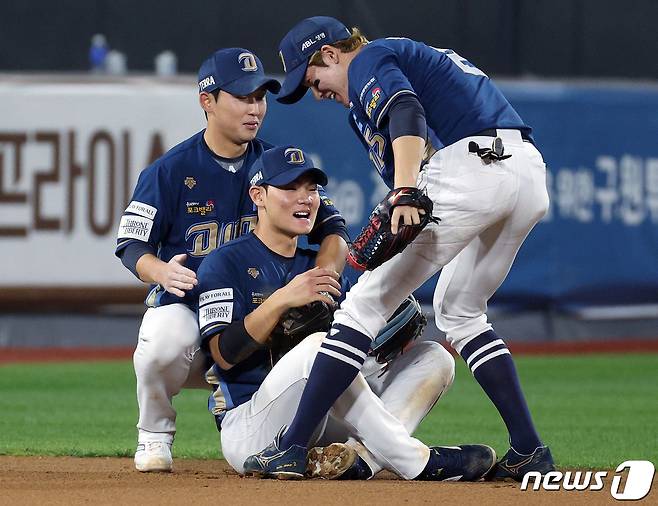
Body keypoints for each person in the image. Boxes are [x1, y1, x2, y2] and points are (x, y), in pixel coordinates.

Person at [245, 16, 554, 481]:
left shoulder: (369, 57)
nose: (316, 92)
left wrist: (406, 192)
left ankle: (289, 447)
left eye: (313, 79)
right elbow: (408, 146)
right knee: (461, 312)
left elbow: (406, 110)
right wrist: (404, 193)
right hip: (526, 173)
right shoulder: (374, 91)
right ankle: (530, 449)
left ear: (330, 54)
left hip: (473, 166)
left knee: (360, 309)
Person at [114, 48, 349, 472]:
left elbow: (333, 227)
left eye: (260, 97)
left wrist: (325, 272)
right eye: (242, 97)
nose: (255, 108)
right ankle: (154, 433)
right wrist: (160, 271)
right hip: (190, 308)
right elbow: (131, 245)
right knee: (163, 339)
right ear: (208, 101)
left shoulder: (279, 169)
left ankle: (268, 426)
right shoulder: (170, 171)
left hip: (256, 311)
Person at [197, 146, 495, 481]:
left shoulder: (322, 265)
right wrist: (280, 300)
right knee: (318, 348)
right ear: (259, 196)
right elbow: (223, 354)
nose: (304, 198)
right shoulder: (225, 262)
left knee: (435, 358)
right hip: (252, 428)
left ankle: (359, 459)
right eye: (289, 188)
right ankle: (415, 461)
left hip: (321, 422)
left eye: (311, 189)